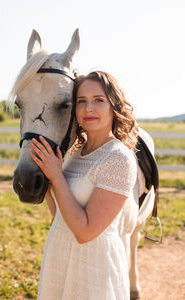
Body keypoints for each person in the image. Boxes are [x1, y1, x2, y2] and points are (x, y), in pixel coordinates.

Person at [29, 71, 138, 300]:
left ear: (114, 106)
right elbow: (59, 215)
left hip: (94, 267)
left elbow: (85, 232)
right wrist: (47, 178)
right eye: (81, 101)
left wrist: (57, 177)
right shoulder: (73, 153)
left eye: (99, 100)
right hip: (59, 255)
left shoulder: (118, 159)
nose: (89, 108)